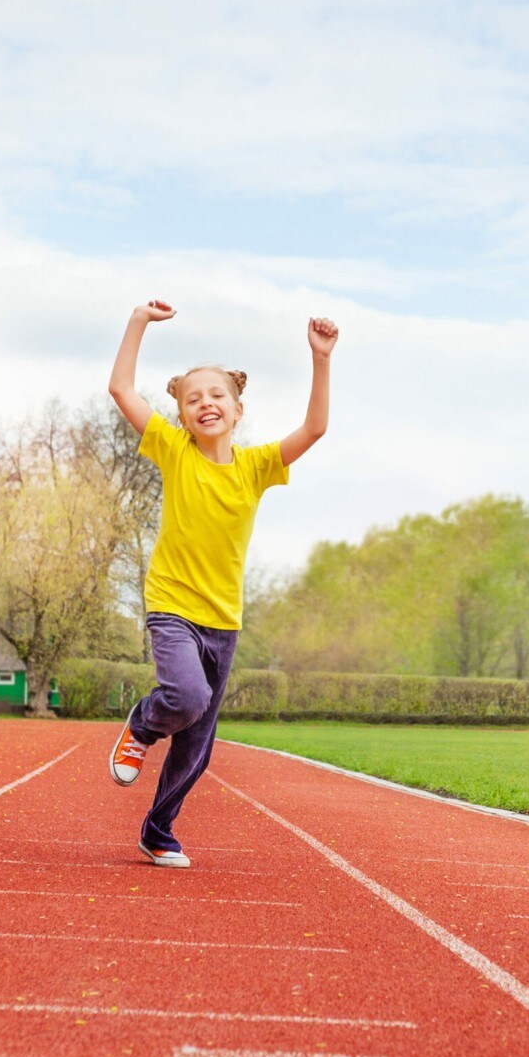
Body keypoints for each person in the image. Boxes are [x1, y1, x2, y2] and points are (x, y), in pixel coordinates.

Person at [103, 301, 336, 867]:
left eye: (216, 396)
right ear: (181, 415)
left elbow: (315, 428)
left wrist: (320, 360)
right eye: (192, 398)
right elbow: (120, 389)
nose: (205, 403)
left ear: (237, 408)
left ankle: (158, 830)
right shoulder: (173, 451)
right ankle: (141, 723)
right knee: (186, 697)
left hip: (223, 619)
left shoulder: (257, 467)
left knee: (199, 745)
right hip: (172, 607)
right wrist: (138, 321)